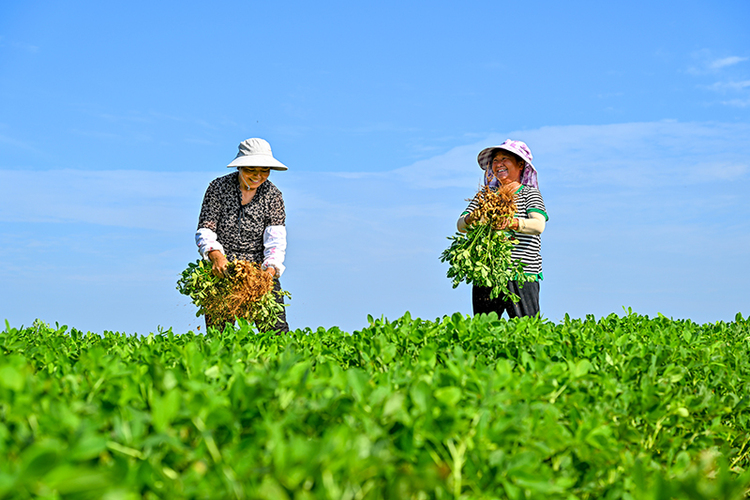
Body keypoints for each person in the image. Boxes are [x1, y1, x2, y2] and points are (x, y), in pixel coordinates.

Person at [195, 137, 290, 333]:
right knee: (219, 333)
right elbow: (206, 228)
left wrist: (269, 271)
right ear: (240, 167)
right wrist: (216, 256)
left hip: (259, 269)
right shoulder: (218, 188)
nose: (258, 176)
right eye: (251, 170)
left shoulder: (273, 195)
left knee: (276, 331)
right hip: (223, 268)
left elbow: (276, 240)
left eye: (264, 171)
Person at [456, 139, 548, 318]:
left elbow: (538, 225)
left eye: (505, 159)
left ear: (520, 164)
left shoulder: (529, 193)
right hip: (487, 272)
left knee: (526, 329)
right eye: (495, 161)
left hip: (521, 273)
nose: (499, 164)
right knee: (484, 329)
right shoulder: (485, 197)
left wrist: (511, 223)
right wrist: (472, 217)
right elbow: (460, 225)